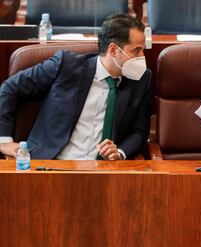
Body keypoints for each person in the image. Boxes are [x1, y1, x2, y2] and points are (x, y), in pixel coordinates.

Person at [0, 13, 152, 160]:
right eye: (136, 50)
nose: (141, 57)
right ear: (113, 50)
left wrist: (119, 152)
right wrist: (4, 140)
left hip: (103, 169)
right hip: (52, 163)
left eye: (143, 50)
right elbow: (9, 88)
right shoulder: (66, 65)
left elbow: (139, 131)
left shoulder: (141, 80)